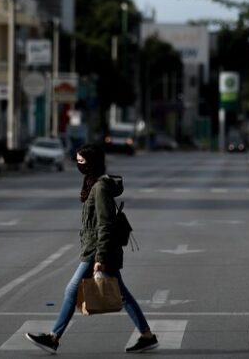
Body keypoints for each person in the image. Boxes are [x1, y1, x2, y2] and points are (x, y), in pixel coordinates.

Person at [25, 143, 158, 354]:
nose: (79, 165)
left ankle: (53, 337)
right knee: (121, 294)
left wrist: (100, 257)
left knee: (72, 290)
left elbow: (105, 223)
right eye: (77, 161)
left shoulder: (101, 188)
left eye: (82, 161)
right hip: (97, 249)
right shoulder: (94, 184)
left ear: (92, 163)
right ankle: (147, 335)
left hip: (98, 251)